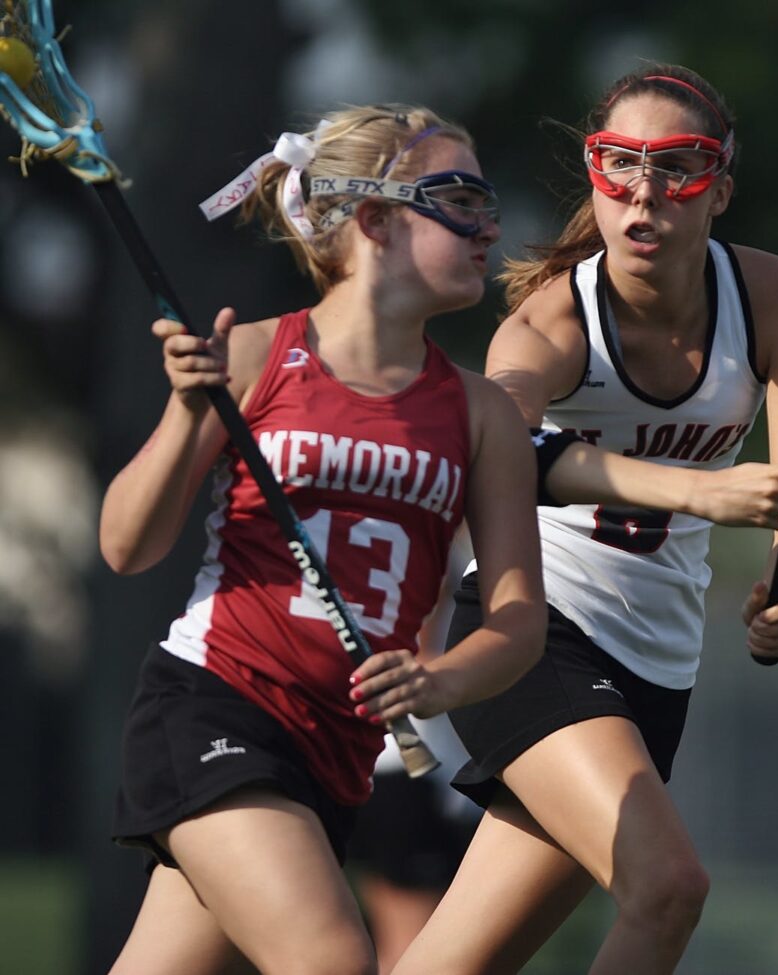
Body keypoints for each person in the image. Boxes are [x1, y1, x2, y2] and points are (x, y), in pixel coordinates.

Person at [392, 64, 778, 975]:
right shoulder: (549, 322)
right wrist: (699, 490)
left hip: (656, 671)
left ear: (721, 191)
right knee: (669, 887)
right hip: (536, 638)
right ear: (594, 176)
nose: (646, 191)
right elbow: (502, 450)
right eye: (619, 161)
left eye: (680, 166)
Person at [99, 104, 546, 975]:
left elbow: (518, 620)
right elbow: (126, 545)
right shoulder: (254, 355)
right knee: (333, 961)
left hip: (335, 750)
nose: (489, 226)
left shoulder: (481, 412)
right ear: (374, 220)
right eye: (459, 199)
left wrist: (438, 677)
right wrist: (188, 411)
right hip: (217, 705)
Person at [345, 529, 480, 975]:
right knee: (414, 948)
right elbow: (418, 653)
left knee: (394, 948)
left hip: (385, 768)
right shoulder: (434, 543)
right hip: (412, 771)